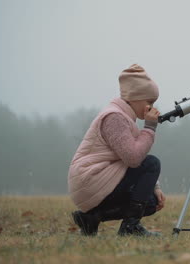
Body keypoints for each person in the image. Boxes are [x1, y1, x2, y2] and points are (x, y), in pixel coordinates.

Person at [68, 64, 166, 237]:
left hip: (100, 179)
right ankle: (130, 228)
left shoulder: (123, 117)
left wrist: (155, 187)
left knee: (151, 202)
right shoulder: (114, 117)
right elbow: (134, 159)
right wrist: (150, 127)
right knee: (153, 163)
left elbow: (131, 158)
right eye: (149, 102)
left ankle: (91, 218)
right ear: (136, 98)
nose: (151, 106)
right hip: (91, 179)